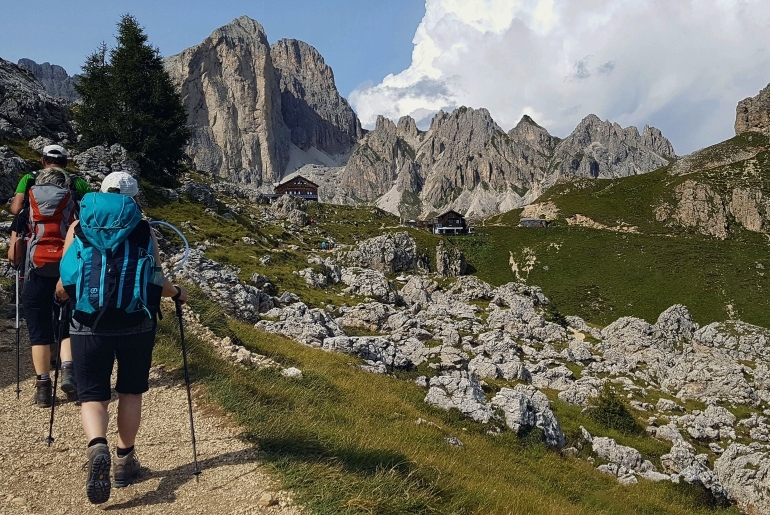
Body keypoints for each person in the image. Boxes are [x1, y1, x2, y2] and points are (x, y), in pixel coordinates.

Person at [56, 171, 188, 504]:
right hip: (136, 323)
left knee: (93, 396)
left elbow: (65, 278)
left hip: (88, 323)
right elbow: (156, 280)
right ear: (133, 198)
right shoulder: (144, 230)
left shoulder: (79, 226)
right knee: (131, 391)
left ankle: (96, 445)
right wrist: (177, 294)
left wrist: (60, 298)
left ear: (101, 194)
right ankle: (123, 461)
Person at [10, 145, 90, 406]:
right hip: (66, 270)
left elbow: (14, 253)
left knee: (39, 331)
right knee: (67, 322)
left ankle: (43, 388)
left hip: (36, 271)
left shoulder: (27, 198)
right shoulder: (75, 192)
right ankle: (68, 371)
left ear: (42, 162)